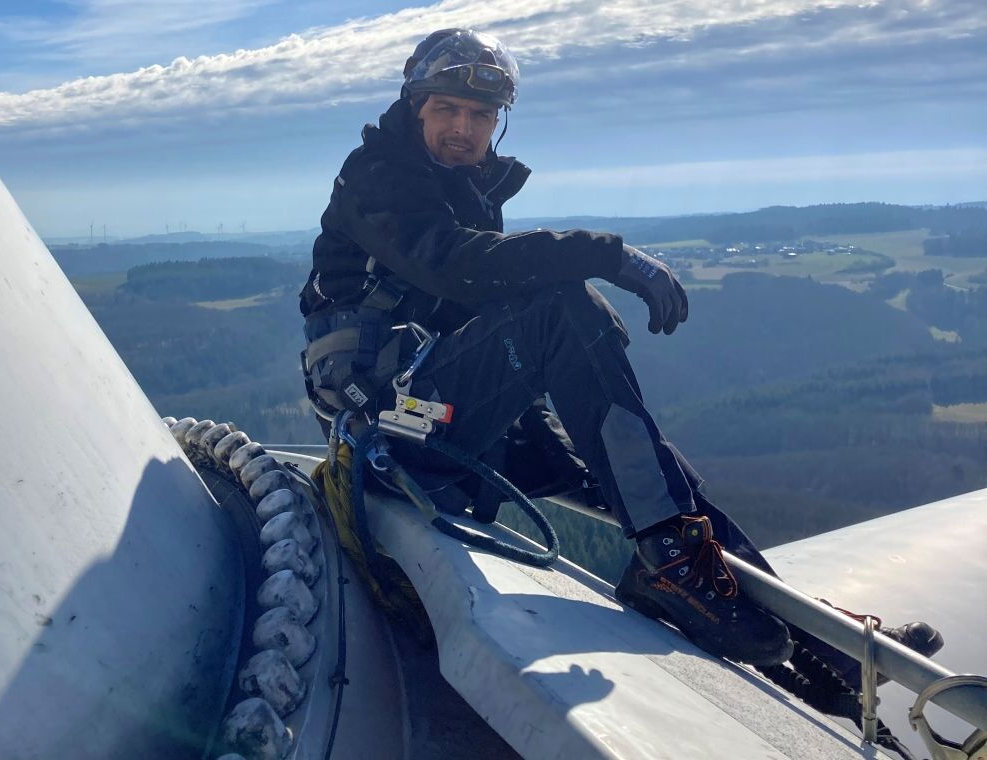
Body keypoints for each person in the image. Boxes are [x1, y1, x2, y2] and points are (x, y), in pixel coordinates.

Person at [298, 29, 940, 670]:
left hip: (437, 415)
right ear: (415, 107)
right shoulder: (377, 179)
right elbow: (456, 268)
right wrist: (608, 255)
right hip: (387, 430)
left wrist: (568, 438)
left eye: (481, 115)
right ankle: (667, 563)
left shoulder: (456, 188)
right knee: (563, 308)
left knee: (656, 472)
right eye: (448, 110)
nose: (465, 128)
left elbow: (479, 340)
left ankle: (821, 652)